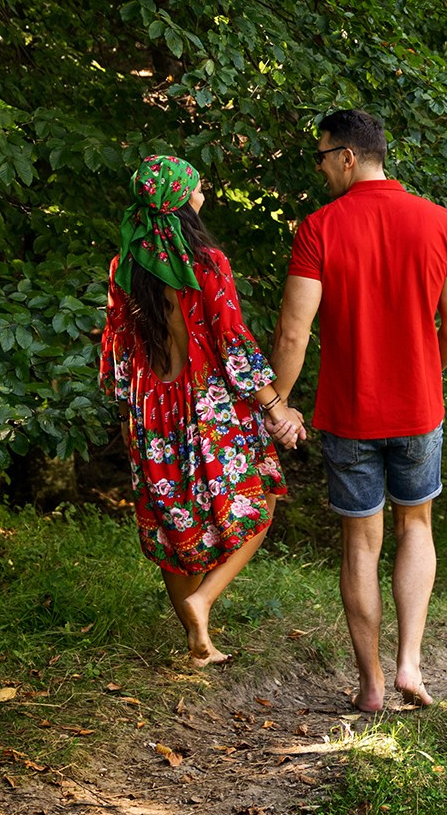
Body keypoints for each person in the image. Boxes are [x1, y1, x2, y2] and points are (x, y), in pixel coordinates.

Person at [265, 111, 447, 713]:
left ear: (349, 156)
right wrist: (427, 374)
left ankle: (372, 684)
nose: (322, 167)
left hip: (349, 412)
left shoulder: (319, 229)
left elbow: (292, 333)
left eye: (323, 155)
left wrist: (276, 400)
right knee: (417, 525)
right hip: (418, 409)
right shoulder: (438, 222)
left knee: (361, 543)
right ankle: (410, 664)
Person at [99, 154, 309, 668]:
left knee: (176, 524)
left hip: (152, 407)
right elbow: (231, 340)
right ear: (179, 199)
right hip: (207, 404)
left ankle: (197, 642)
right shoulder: (206, 262)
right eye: (196, 186)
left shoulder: (125, 264)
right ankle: (203, 600)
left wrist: (133, 405)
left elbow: (118, 347)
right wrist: (275, 406)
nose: (203, 192)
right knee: (262, 500)